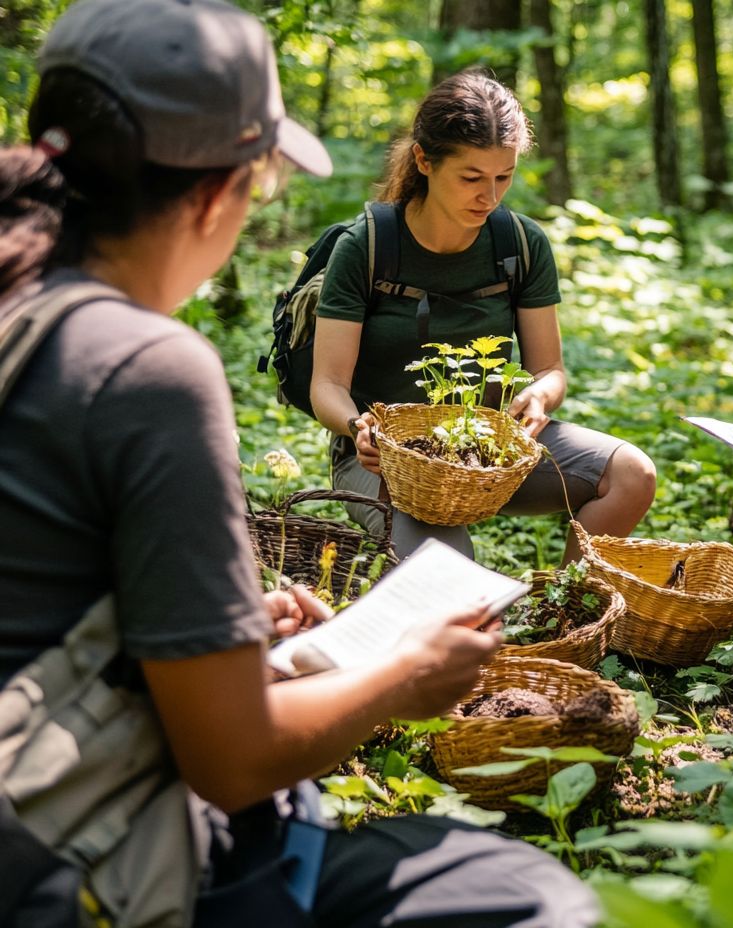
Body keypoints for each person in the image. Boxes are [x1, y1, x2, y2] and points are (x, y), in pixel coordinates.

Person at [0, 1, 598, 926]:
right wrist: (406, 674)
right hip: (84, 860)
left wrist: (240, 638)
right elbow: (232, 762)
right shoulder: (146, 371)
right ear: (218, 193)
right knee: (530, 896)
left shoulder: (25, 319)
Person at [310, 70, 657, 565]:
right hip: (387, 461)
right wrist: (358, 427)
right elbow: (326, 384)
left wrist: (539, 394)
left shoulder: (519, 243)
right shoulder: (366, 247)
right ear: (424, 161)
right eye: (471, 178)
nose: (489, 197)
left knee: (631, 475)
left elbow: (549, 370)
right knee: (451, 582)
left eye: (504, 177)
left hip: (488, 446)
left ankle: (565, 611)